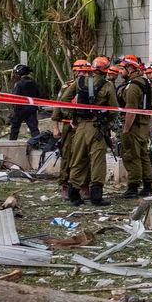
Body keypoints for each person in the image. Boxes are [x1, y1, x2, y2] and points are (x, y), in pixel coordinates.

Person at [53, 57, 116, 205]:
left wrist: (72, 116)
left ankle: (74, 196)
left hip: (80, 128)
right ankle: (96, 197)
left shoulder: (79, 82)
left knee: (78, 160)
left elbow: (63, 102)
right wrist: (108, 123)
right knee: (97, 162)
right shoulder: (107, 85)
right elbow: (114, 109)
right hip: (97, 129)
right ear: (106, 70)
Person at [118, 55, 152, 197]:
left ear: (130, 68)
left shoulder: (133, 86)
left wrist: (126, 129)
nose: (120, 72)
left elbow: (131, 111)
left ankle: (133, 187)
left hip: (135, 126)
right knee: (143, 155)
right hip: (144, 124)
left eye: (122, 68)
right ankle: (147, 186)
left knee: (131, 155)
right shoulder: (144, 82)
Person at [8, 63, 42, 140]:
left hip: (19, 110)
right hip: (32, 109)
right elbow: (39, 96)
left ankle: (12, 144)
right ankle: (38, 144)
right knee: (34, 129)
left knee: (15, 129)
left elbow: (15, 98)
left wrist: (14, 109)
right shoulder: (34, 83)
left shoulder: (19, 84)